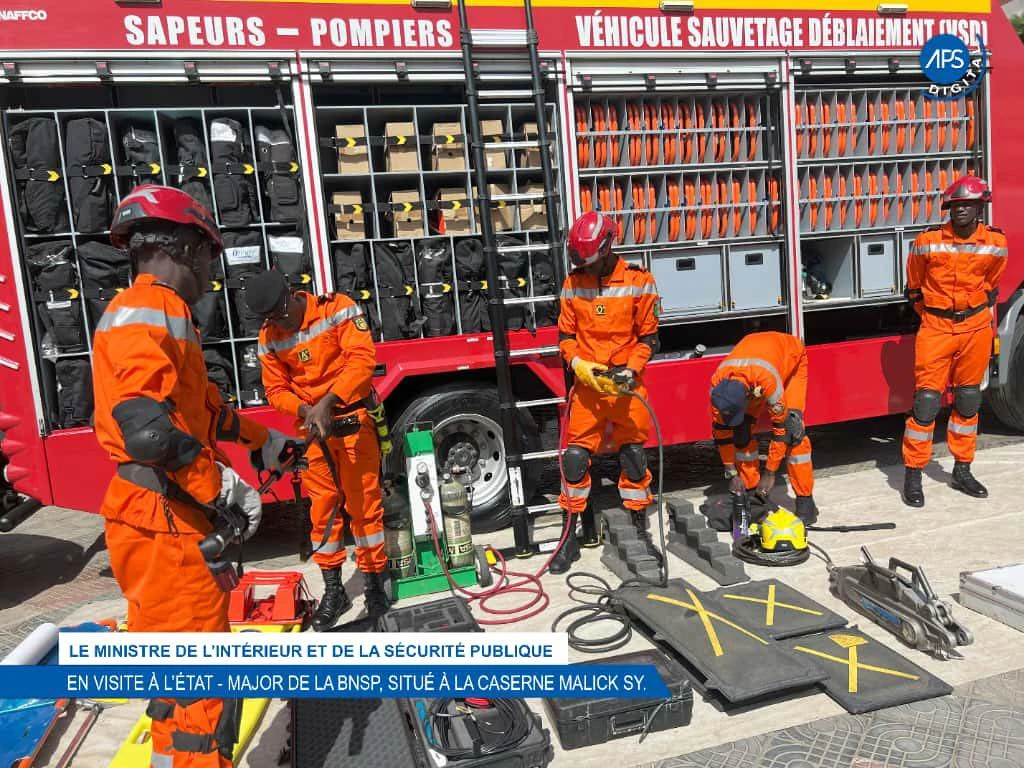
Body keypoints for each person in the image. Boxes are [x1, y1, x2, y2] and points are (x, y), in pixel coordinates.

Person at [92, 185, 290, 768]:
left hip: (148, 521)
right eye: (207, 252)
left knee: (172, 677)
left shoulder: (147, 311)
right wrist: (220, 488)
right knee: (206, 689)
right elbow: (148, 432)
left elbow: (199, 412)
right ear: (183, 247)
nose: (210, 269)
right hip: (168, 525)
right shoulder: (156, 309)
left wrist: (262, 438)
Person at [245, 268, 391, 629]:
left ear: (292, 295)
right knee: (322, 510)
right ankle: (334, 590)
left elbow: (362, 360)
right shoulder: (269, 336)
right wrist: (305, 411)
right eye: (270, 319)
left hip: (352, 418)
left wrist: (328, 402)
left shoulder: (336, 308)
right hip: (313, 429)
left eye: (281, 314)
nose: (279, 323)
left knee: (364, 506)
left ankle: (374, 583)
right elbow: (275, 390)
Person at [552, 211, 661, 574]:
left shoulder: (639, 281)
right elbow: (566, 336)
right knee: (574, 460)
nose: (585, 268)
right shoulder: (573, 283)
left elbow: (649, 338)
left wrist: (631, 369)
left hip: (626, 386)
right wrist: (577, 363)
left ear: (607, 247)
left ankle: (640, 530)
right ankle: (569, 537)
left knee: (634, 457)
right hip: (589, 386)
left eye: (590, 261)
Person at [902, 175, 1007, 507]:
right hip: (936, 327)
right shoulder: (928, 240)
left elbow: (992, 283)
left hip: (975, 327)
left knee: (968, 399)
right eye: (956, 205)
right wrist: (936, 313)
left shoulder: (996, 242)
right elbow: (914, 286)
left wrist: (970, 312)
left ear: (979, 208)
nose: (960, 210)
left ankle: (963, 469)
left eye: (967, 205)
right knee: (926, 402)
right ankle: (913, 473)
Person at [709, 331, 818, 525]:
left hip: (791, 359)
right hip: (754, 368)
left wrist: (770, 473)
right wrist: (731, 473)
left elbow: (780, 430)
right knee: (741, 433)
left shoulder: (767, 379)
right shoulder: (717, 388)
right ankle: (753, 496)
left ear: (746, 397)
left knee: (793, 432)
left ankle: (805, 501)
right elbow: (722, 434)